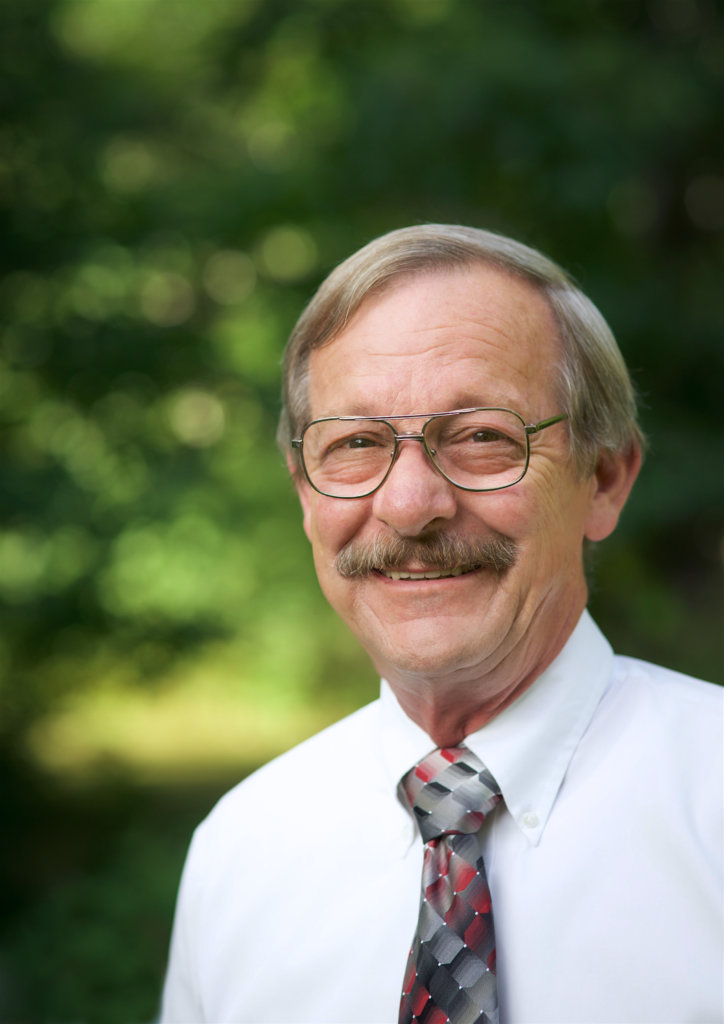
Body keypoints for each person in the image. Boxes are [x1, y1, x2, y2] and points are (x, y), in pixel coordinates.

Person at [160, 225, 723, 1024]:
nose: (410, 504)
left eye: (482, 437)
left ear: (603, 479)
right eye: (357, 443)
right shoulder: (240, 850)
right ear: (305, 494)